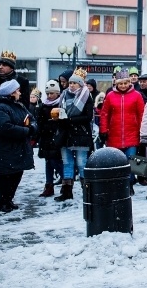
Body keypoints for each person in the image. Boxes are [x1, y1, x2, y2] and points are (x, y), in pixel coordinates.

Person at [0, 80, 37, 212]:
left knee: (17, 174)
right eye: (17, 90)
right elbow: (4, 127)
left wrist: (32, 127)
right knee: (7, 176)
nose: (19, 92)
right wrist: (26, 131)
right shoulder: (0, 108)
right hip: (6, 148)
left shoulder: (19, 106)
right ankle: (3, 202)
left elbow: (32, 119)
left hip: (18, 147)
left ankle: (9, 200)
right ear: (11, 93)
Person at [100, 69, 145, 195]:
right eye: (121, 83)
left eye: (125, 83)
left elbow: (141, 114)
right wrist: (103, 130)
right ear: (116, 84)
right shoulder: (110, 96)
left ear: (129, 83)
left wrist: (143, 132)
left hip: (132, 133)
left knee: (131, 161)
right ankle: (118, 184)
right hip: (114, 134)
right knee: (117, 162)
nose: (123, 86)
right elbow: (104, 114)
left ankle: (129, 184)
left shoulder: (137, 95)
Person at [54, 68, 94, 202]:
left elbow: (88, 116)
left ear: (81, 84)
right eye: (70, 83)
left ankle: (87, 190)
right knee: (67, 163)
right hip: (66, 134)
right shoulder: (64, 94)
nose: (71, 85)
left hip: (81, 133)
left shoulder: (86, 95)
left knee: (81, 162)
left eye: (74, 83)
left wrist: (69, 120)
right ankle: (67, 191)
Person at [36, 80, 64, 197]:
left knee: (55, 161)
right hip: (46, 138)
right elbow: (40, 122)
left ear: (57, 93)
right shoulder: (43, 106)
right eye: (48, 93)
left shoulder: (61, 104)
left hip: (56, 138)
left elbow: (62, 123)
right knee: (48, 162)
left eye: (52, 93)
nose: (49, 96)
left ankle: (66, 180)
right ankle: (49, 185)